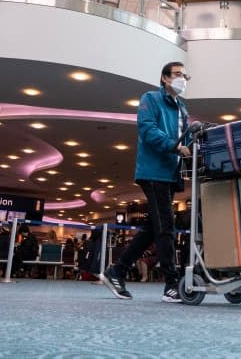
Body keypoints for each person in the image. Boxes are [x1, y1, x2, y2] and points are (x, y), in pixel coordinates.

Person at [101, 61, 191, 303]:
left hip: (171, 174)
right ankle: (172, 284)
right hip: (153, 172)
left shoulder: (182, 109)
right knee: (166, 228)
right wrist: (175, 147)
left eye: (185, 75)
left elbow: (187, 138)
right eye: (177, 74)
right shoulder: (151, 99)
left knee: (154, 227)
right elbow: (148, 129)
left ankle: (117, 271)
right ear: (164, 78)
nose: (182, 78)